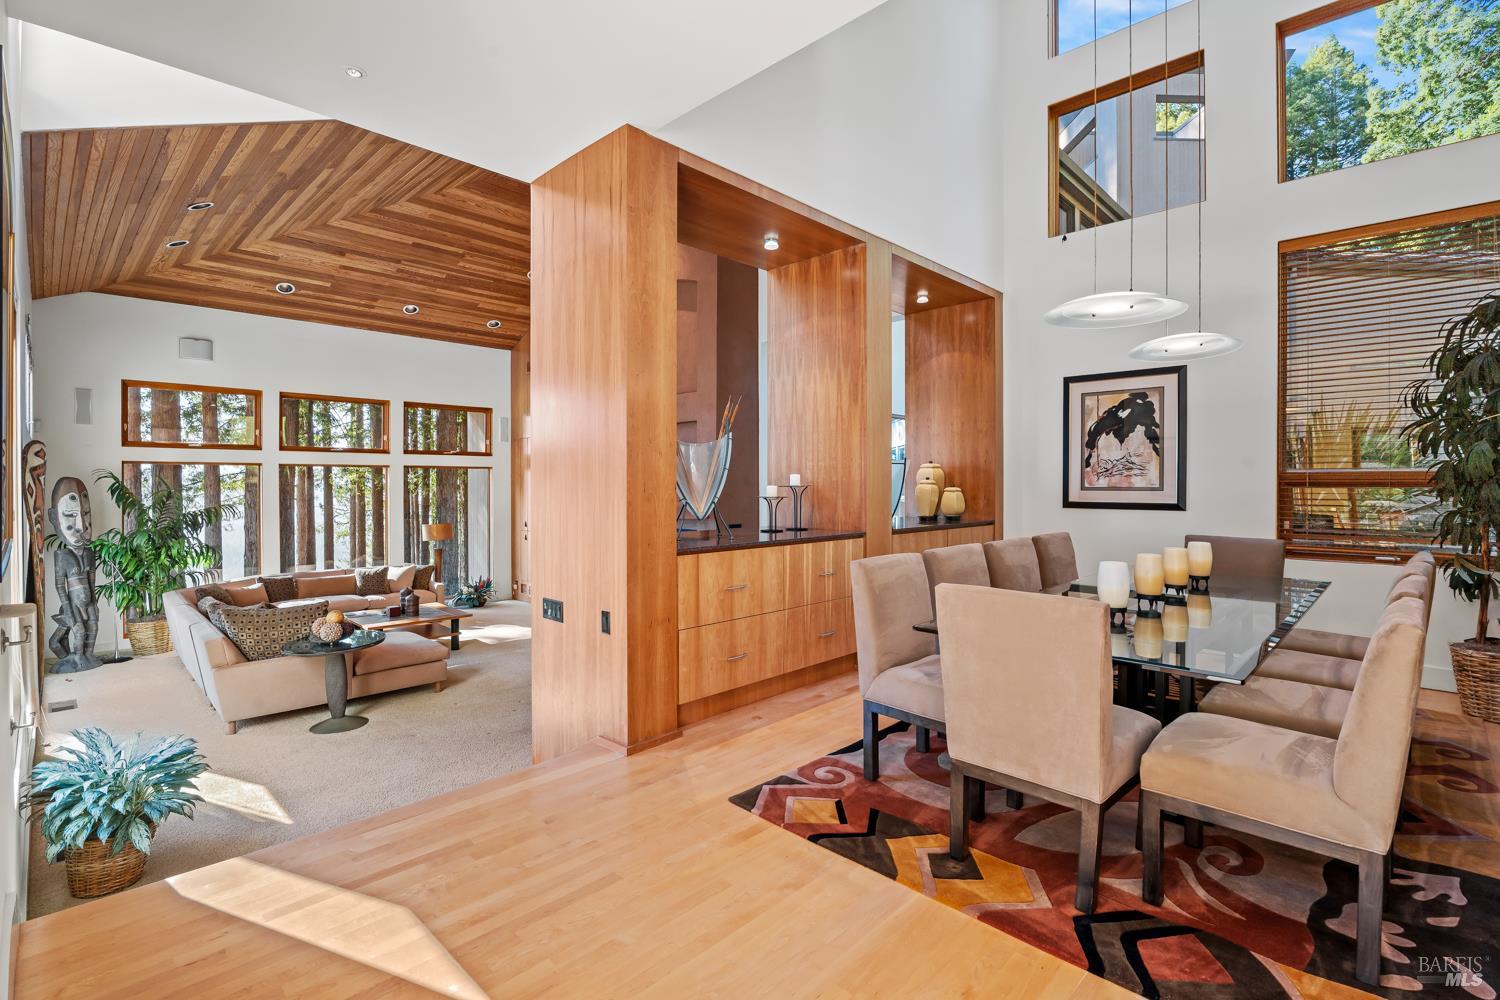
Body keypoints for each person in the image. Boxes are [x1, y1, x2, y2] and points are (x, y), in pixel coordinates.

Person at [48, 477, 101, 673]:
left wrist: (95, 603)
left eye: (86, 513)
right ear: (54, 518)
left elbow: (92, 582)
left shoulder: (89, 553)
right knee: (78, 630)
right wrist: (69, 610)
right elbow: (60, 586)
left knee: (93, 626)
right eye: (70, 515)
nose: (81, 526)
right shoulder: (62, 556)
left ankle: (88, 654)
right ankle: (76, 657)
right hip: (73, 604)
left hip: (89, 602)